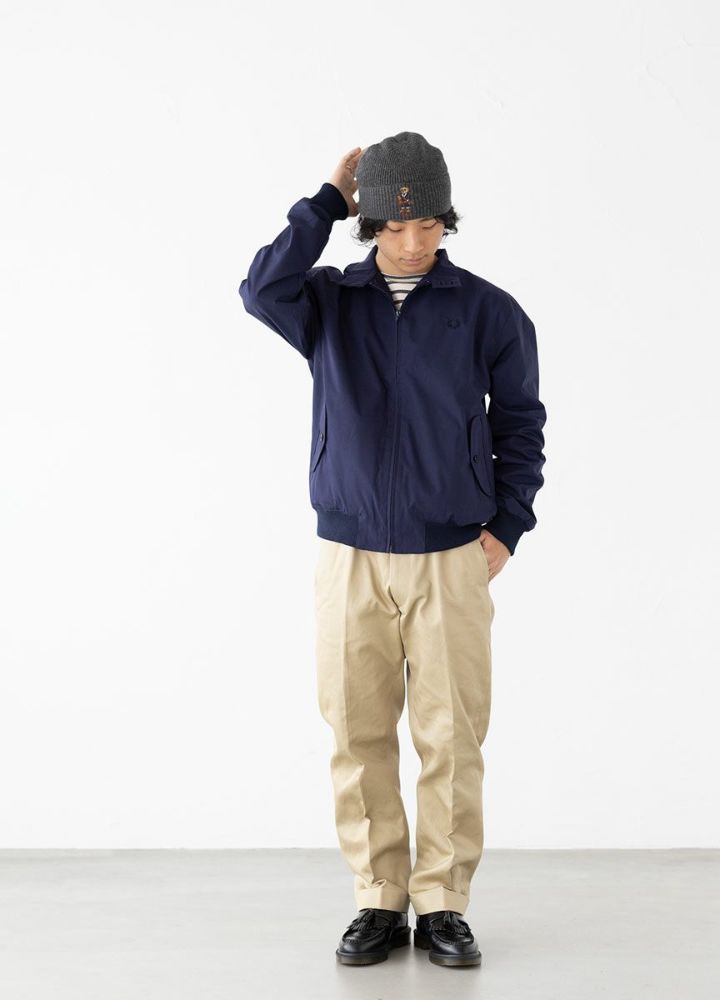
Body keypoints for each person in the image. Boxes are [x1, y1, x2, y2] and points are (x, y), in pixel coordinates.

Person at [239, 131, 547, 968]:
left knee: (452, 736)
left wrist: (506, 527)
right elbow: (259, 288)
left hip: (451, 556)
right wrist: (325, 203)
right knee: (357, 730)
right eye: (396, 226)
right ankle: (379, 897)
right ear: (371, 224)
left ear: (448, 221)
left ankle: (442, 901)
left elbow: (522, 425)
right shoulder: (328, 302)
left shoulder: (488, 310)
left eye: (430, 225)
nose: (414, 242)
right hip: (349, 555)